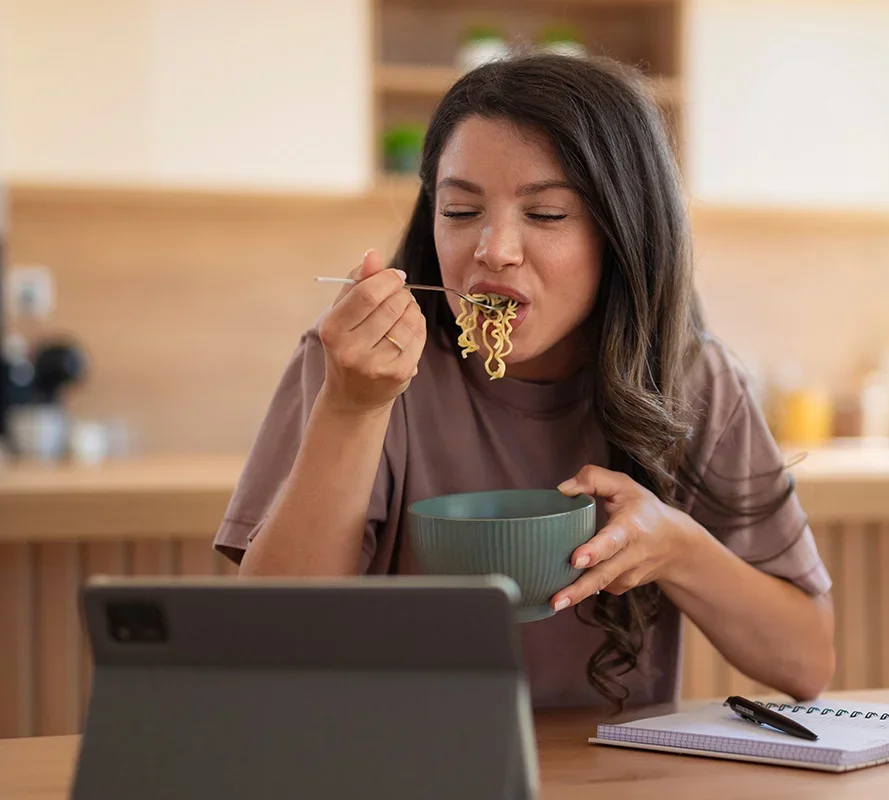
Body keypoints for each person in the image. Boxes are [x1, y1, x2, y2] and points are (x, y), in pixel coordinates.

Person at [214, 52, 835, 711]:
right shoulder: (356, 363)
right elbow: (269, 647)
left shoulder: (693, 379)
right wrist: (352, 408)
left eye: (546, 215)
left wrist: (678, 548)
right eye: (460, 211)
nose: (494, 250)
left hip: (609, 762)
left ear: (623, 234)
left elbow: (806, 662)